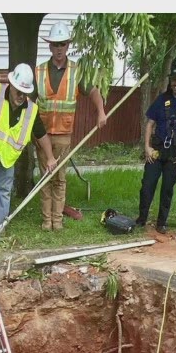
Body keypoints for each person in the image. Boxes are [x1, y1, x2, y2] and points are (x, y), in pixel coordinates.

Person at [37, 21, 107, 232]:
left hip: (64, 134)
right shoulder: (39, 71)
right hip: (42, 134)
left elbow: (94, 92)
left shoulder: (77, 71)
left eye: (63, 44)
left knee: (59, 179)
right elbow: (29, 102)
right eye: (55, 44)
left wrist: (101, 111)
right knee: (45, 179)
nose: (59, 49)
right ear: (50, 46)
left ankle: (57, 220)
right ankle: (46, 220)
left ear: (68, 46)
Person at [0, 64, 54, 230]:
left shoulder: (31, 110)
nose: (21, 96)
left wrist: (51, 157)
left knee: (4, 192)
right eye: (18, 91)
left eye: (25, 93)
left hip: (7, 159)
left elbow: (41, 134)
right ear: (11, 85)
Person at [136, 57, 176, 233]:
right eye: (174, 79)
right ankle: (142, 218)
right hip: (156, 149)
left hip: (175, 152)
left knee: (167, 188)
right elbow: (149, 123)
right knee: (148, 184)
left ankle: (161, 222)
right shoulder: (162, 99)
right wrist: (147, 147)